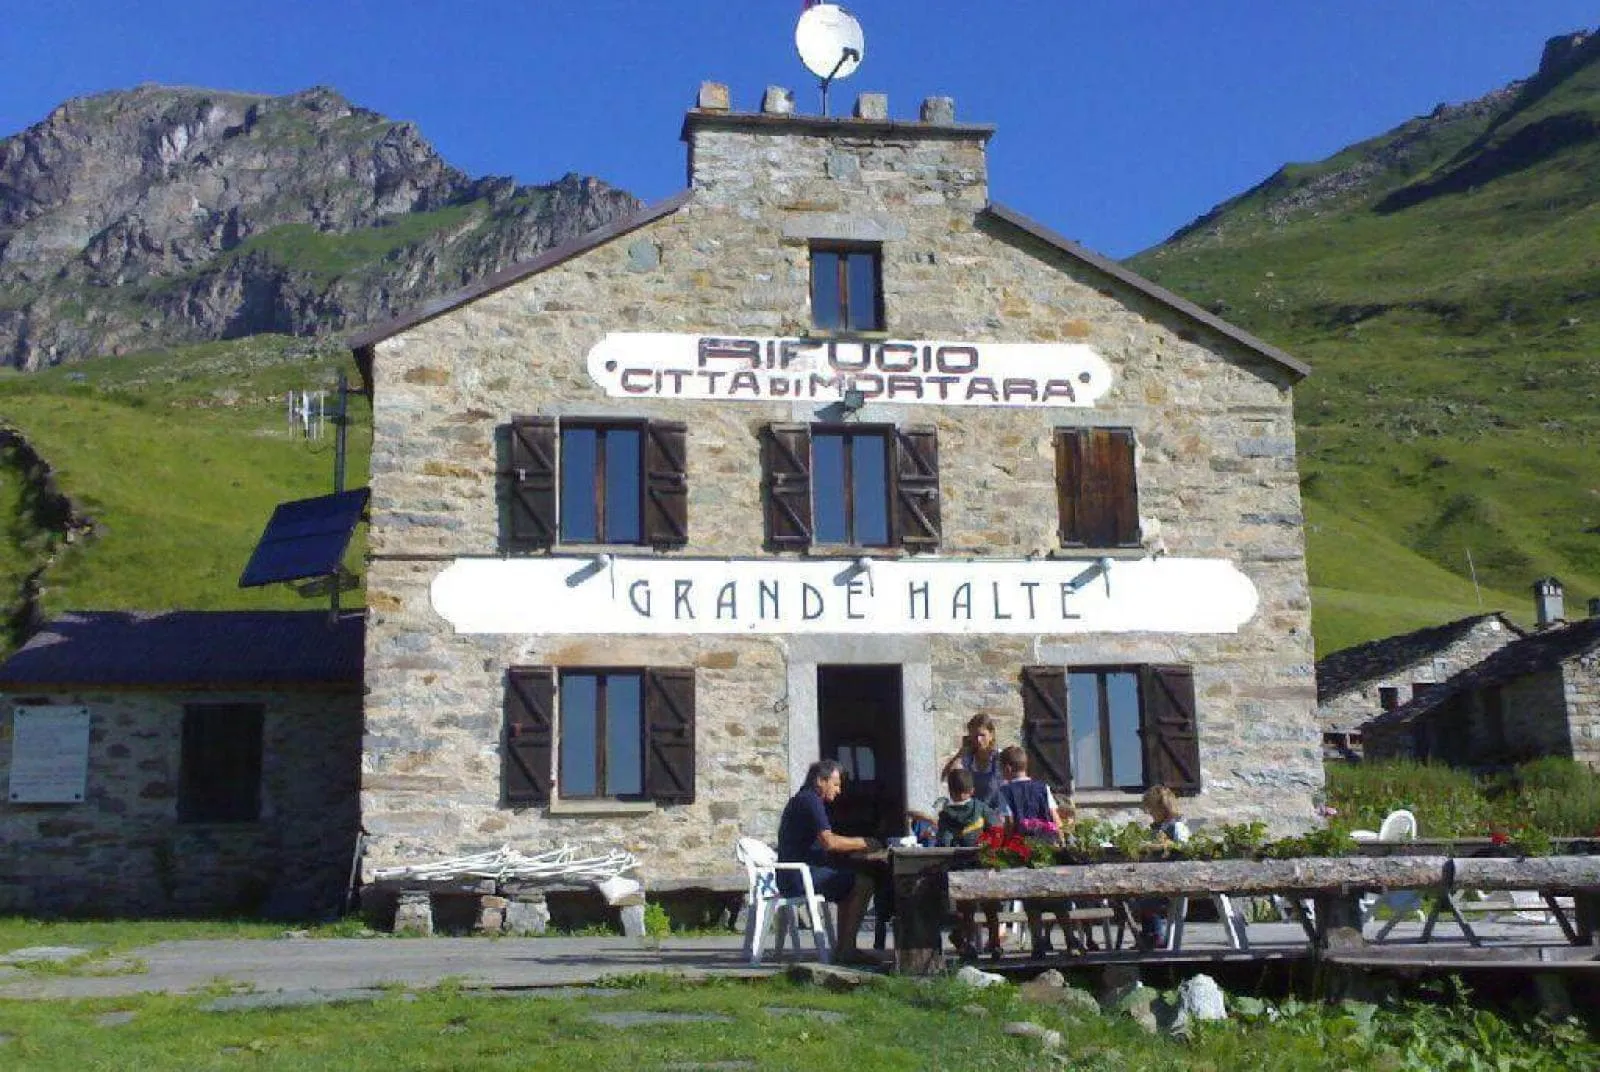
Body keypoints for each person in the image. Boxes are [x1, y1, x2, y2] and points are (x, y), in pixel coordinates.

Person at [776, 759, 881, 964]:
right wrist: (866, 842)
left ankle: (844, 947)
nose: (839, 790)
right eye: (836, 784)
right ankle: (846, 948)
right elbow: (829, 842)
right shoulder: (810, 801)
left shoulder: (804, 799)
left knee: (849, 880)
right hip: (799, 878)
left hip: (793, 875)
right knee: (863, 882)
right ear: (820, 781)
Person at [995, 746, 1071, 957]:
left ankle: (1038, 942)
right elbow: (1055, 818)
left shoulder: (1005, 791)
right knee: (1056, 895)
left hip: (1024, 847)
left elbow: (1009, 823)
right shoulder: (1042, 787)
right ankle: (1070, 938)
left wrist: (1003, 846)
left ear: (1008, 768)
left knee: (1031, 898)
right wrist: (1061, 841)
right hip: (1048, 845)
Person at [936, 767, 1004, 960]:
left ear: (950, 792)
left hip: (961, 867)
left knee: (967, 911)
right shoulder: (981, 808)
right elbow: (997, 828)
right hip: (984, 865)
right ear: (972, 790)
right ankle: (995, 943)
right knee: (991, 908)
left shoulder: (946, 815)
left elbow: (944, 843)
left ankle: (970, 944)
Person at [1136, 784, 1191, 949]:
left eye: (1152, 810)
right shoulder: (1156, 828)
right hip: (1155, 877)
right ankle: (1148, 934)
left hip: (1172, 877)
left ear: (1162, 808)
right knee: (1137, 895)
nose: (1150, 814)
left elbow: (1183, 848)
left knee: (1148, 898)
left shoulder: (1176, 827)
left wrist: (1161, 847)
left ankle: (1155, 935)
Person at [940, 713, 1004, 815]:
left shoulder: (1000, 758)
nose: (978, 740)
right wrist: (959, 755)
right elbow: (946, 777)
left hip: (995, 814)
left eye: (982, 735)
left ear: (991, 735)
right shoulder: (968, 759)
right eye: (975, 736)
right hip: (972, 815)